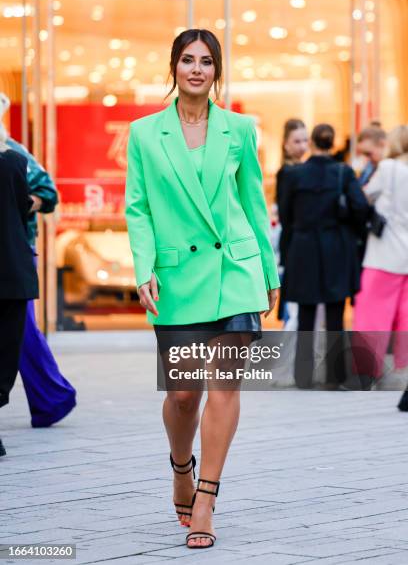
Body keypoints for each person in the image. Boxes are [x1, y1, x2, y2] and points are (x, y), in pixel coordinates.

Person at [125, 29, 280, 549]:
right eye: (188, 60)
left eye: (207, 61)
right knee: (184, 394)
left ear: (217, 70)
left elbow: (253, 202)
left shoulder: (240, 129)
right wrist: (143, 265)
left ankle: (207, 502)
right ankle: (180, 469)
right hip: (175, 277)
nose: (197, 69)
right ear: (174, 67)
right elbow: (139, 208)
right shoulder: (145, 133)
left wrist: (269, 270)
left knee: (224, 389)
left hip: (234, 271)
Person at [0, 93, 76, 428]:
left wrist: (15, 206)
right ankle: (51, 398)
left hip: (14, 252)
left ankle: (53, 397)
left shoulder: (14, 153)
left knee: (22, 332)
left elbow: (48, 194)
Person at [279, 124, 369, 389]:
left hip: (303, 247)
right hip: (335, 247)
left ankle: (303, 377)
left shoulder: (295, 175)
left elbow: (285, 214)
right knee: (334, 313)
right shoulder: (343, 173)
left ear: (313, 143)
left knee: (306, 312)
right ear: (331, 143)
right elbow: (360, 207)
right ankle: (334, 377)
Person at [353, 125, 408, 387]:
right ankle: (403, 368)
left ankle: (366, 372)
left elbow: (364, 195)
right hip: (405, 256)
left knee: (371, 315)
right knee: (404, 315)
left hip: (384, 254)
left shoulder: (389, 168)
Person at [0, 130, 39, 456]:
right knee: (5, 351)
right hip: (10, 270)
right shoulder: (14, 162)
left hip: (11, 273)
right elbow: (23, 207)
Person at [276, 119, 308, 330]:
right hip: (294, 243)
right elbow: (286, 213)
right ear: (286, 144)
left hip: (300, 242)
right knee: (295, 305)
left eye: (305, 140)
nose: (302, 146)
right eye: (297, 141)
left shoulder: (304, 169)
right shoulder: (287, 173)